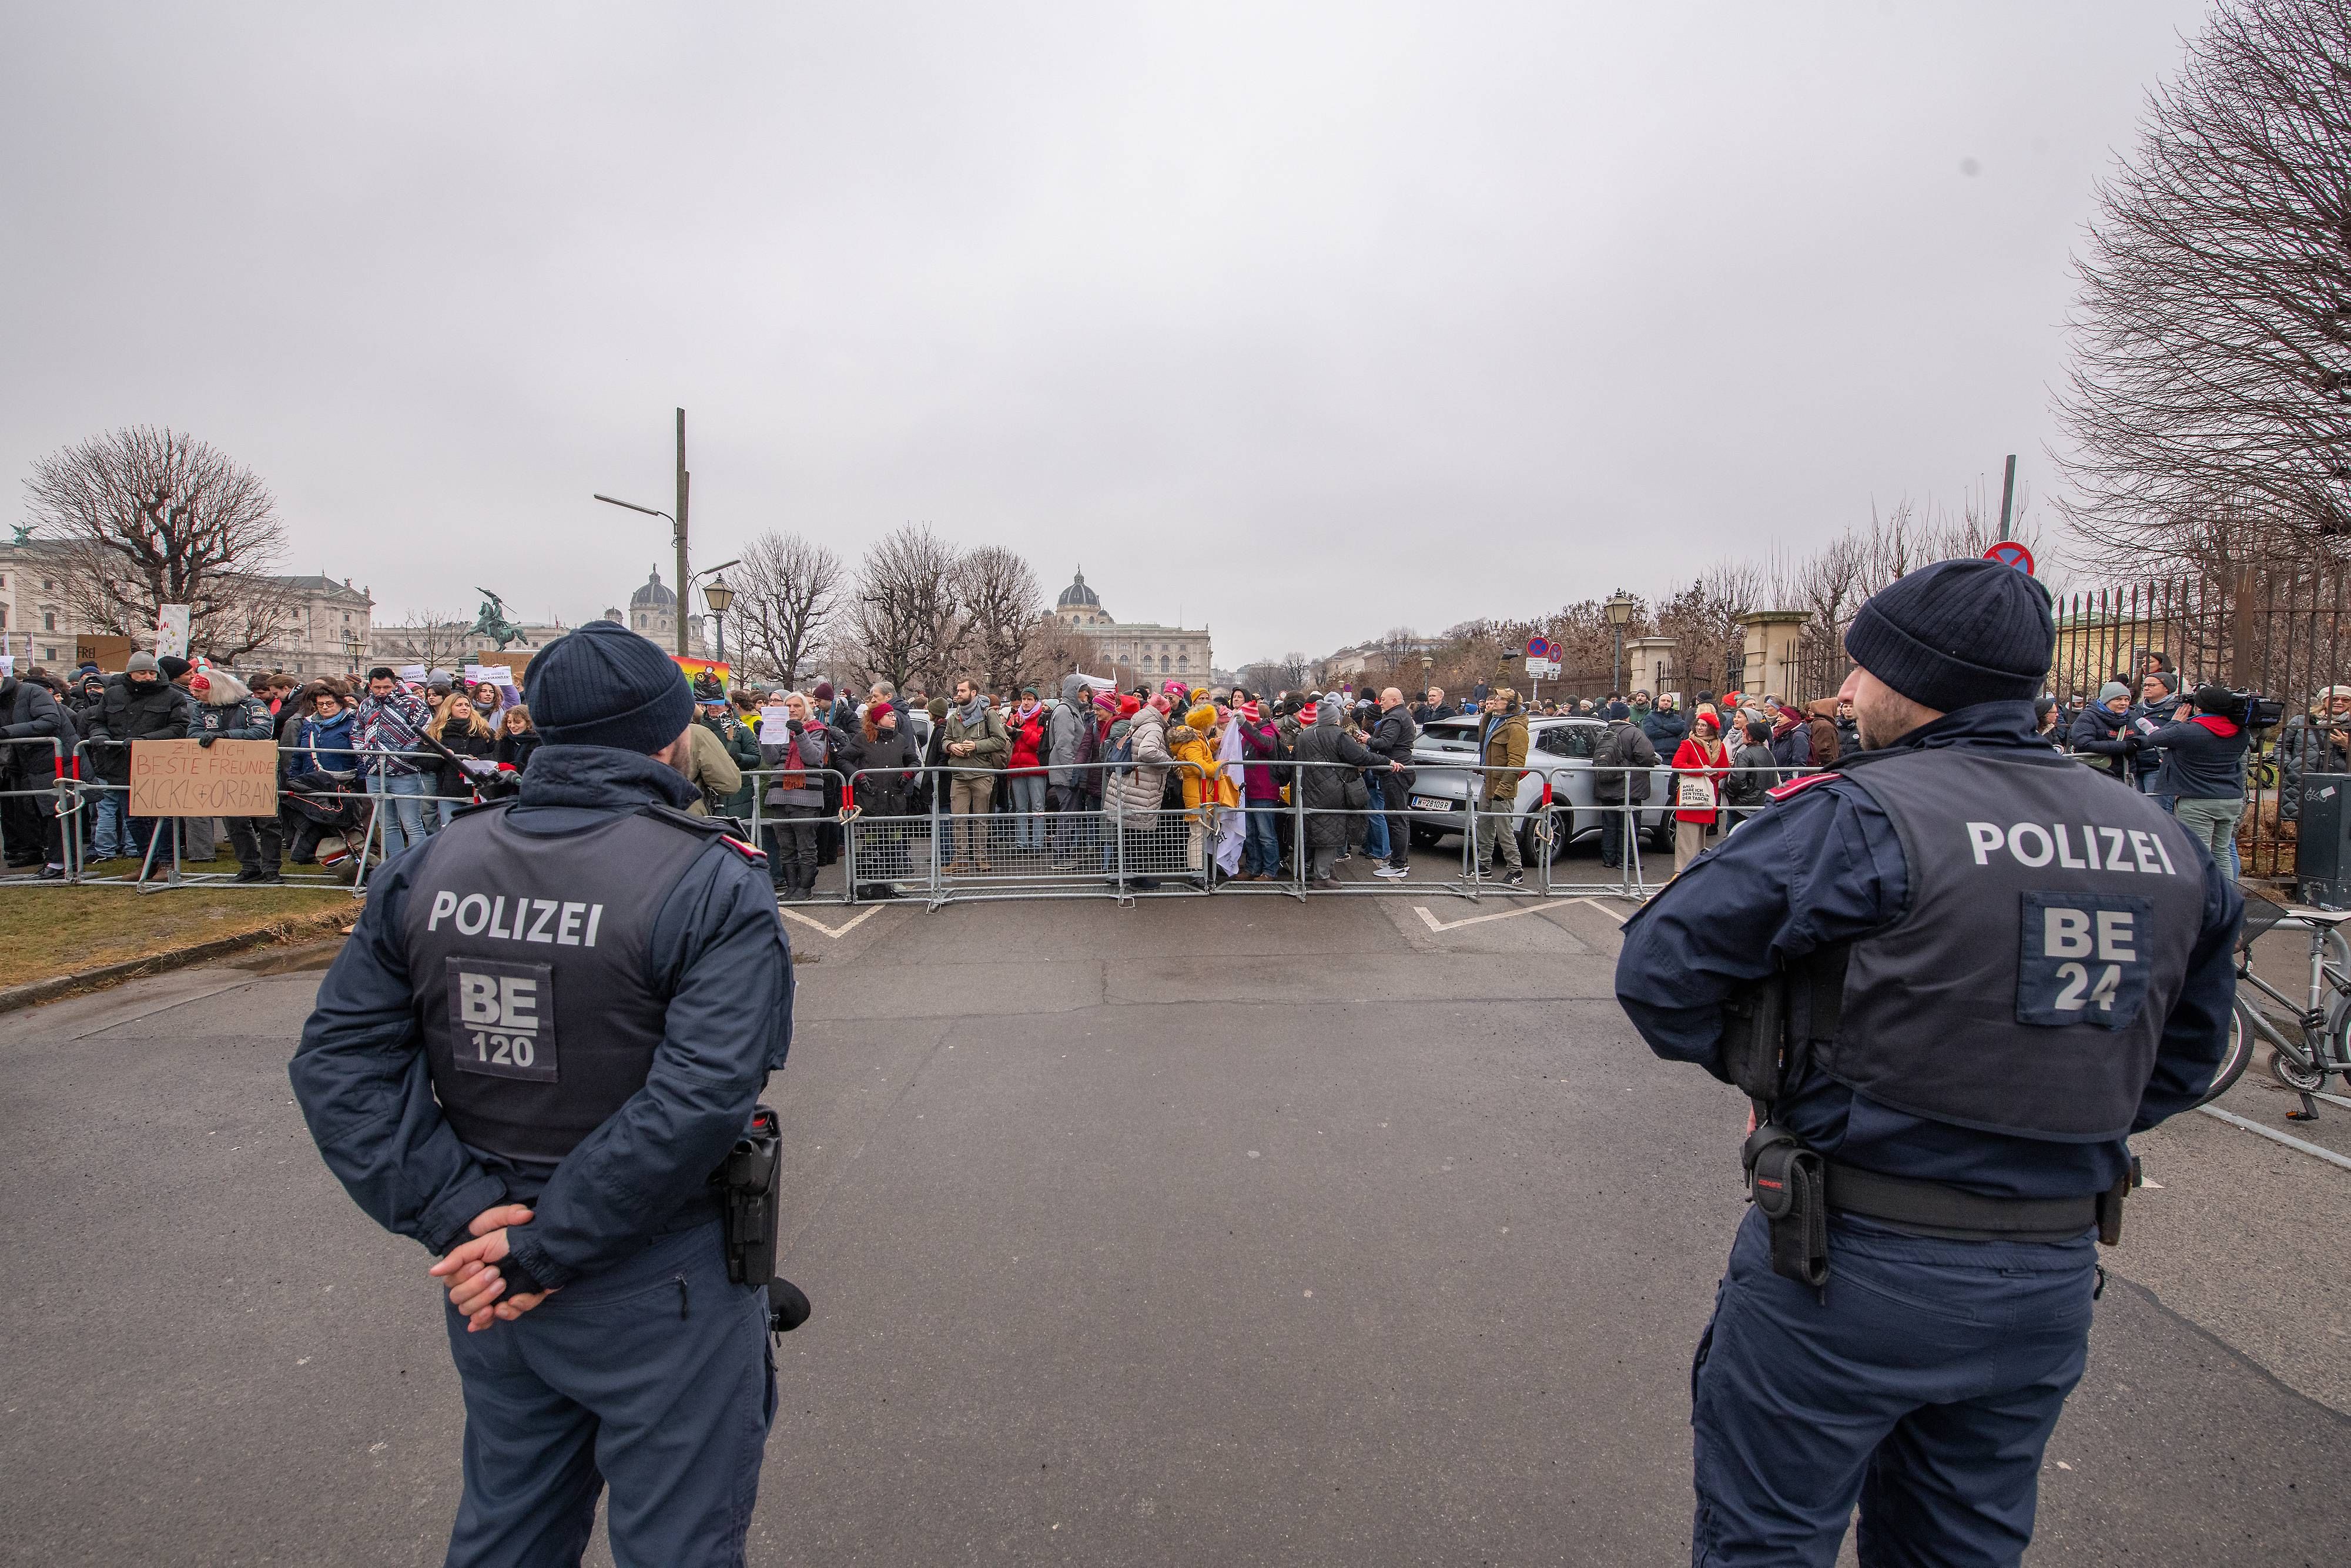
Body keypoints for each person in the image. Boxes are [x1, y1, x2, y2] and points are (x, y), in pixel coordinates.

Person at [1615, 557, 2237, 1567]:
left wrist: (1779, 1078)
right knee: (1961, 1547)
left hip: (1851, 1255)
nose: (1848, 691)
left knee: (1765, 1538)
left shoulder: (1859, 814)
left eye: (1864, 668)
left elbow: (1661, 967)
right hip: (2046, 1268)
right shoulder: (2167, 841)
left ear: (1923, 682)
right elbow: (2185, 1061)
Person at [289, 618, 792, 1566]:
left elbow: (338, 1064)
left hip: (497, 1274)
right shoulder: (708, 879)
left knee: (507, 1534)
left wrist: (475, 1220)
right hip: (657, 1276)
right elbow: (698, 1099)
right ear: (666, 736)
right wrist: (535, 1242)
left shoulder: (432, 864)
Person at [83, 652, 191, 866]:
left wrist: (145, 740)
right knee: (132, 818)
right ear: (131, 673)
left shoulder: (172, 696)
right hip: (120, 764)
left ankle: (167, 863)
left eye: (152, 672)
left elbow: (179, 728)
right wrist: (100, 736)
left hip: (159, 764)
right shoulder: (113, 694)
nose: (148, 677)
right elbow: (97, 721)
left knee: (163, 817)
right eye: (142, 673)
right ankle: (148, 862)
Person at [182, 667, 283, 882]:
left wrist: (224, 736)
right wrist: (214, 737)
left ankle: (271, 868)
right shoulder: (203, 709)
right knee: (234, 822)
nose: (196, 696)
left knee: (267, 822)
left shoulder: (251, 705)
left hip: (258, 771)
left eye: (200, 691)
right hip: (225, 773)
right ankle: (249, 866)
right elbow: (193, 733)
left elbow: (263, 731)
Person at [2144, 684, 2252, 878]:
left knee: (2197, 854)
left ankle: (2203, 902)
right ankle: (2226, 901)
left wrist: (2175, 722)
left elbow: (2155, 738)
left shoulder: (2187, 731)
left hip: (2198, 801)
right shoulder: (2241, 733)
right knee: (2221, 853)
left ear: (2198, 707)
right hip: (2230, 799)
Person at [1290, 699, 1385, 887]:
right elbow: (1360, 756)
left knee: (1316, 833)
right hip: (1332, 793)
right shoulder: (1339, 735)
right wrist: (1387, 762)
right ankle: (1322, 877)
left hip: (1307, 791)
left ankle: (1321, 871)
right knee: (1331, 835)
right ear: (1335, 718)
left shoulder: (1304, 736)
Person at [354, 667, 435, 861]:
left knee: (412, 824)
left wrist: (403, 756)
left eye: (387, 687)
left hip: (405, 773)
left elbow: (425, 732)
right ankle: (396, 865)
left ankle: (417, 865)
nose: (382, 691)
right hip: (374, 773)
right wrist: (363, 754)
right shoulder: (366, 705)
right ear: (370, 686)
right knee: (387, 825)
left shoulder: (413, 703)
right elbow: (357, 731)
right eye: (377, 687)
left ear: (395, 683)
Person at [1, 663, 71, 877]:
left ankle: (60, 862)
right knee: (26, 812)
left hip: (51, 760)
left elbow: (50, 721)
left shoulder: (31, 691)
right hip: (21, 764)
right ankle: (43, 856)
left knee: (56, 811)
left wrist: (6, 732)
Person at [761, 691, 832, 898]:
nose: (792, 710)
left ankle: (805, 888)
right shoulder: (781, 730)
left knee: (806, 847)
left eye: (797, 706)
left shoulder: (818, 730)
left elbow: (813, 757)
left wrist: (800, 734)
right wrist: (763, 736)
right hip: (779, 795)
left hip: (806, 797)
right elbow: (772, 758)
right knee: (786, 848)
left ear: (806, 709)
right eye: (789, 706)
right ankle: (791, 886)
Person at [941, 677, 1009, 873]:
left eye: (962, 691)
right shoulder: (954, 717)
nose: (958, 694)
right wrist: (952, 746)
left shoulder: (988, 715)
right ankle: (960, 860)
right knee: (958, 819)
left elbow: (1000, 741)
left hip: (982, 774)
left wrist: (977, 746)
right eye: (958, 690)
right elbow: (945, 740)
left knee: (980, 818)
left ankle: (981, 858)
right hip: (960, 775)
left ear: (974, 693)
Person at [1471, 688, 1528, 885]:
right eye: (1495, 698)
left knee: (1504, 832)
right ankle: (1484, 866)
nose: (1495, 701)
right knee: (1484, 828)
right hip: (1489, 783)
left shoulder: (1516, 728)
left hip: (1501, 788)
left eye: (1500, 699)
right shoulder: (1495, 721)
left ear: (1512, 705)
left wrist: (1503, 790)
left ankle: (1516, 870)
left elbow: (1517, 762)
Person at [1592, 704, 1659, 871]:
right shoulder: (1635, 733)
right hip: (1631, 787)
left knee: (1609, 825)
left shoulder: (1602, 734)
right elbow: (1647, 756)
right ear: (1627, 717)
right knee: (1628, 825)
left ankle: (1608, 859)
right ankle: (1626, 860)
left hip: (1606, 785)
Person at [2278, 684, 2351, 835]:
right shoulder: (2301, 721)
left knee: (2334, 831)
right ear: (2324, 701)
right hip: (2301, 782)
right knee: (2304, 833)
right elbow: (2282, 746)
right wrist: (2287, 766)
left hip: (2337, 784)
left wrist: (2346, 745)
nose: (2339, 702)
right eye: (2334, 698)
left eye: (2345, 700)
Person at [1669, 709, 1733, 875]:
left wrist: (1715, 773)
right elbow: (1677, 764)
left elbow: (1725, 768)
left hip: (1708, 795)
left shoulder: (1720, 746)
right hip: (1690, 796)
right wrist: (1700, 770)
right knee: (1686, 839)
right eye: (1698, 725)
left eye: (1704, 725)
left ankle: (1695, 871)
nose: (1700, 728)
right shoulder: (1688, 744)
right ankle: (1682, 872)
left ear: (1712, 728)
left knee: (1700, 838)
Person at [1046, 674, 1100, 870]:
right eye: (1084, 691)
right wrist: (1072, 773)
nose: (1087, 695)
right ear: (1076, 691)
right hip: (1066, 773)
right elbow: (1064, 745)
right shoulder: (1064, 711)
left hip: (1069, 772)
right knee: (1068, 814)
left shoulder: (1074, 711)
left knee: (1072, 813)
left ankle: (1067, 854)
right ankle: (1061, 856)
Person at [1364, 688, 1418, 878]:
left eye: (1384, 700)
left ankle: (1398, 865)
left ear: (1395, 700)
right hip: (1399, 769)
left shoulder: (1395, 718)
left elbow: (1386, 743)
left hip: (1395, 771)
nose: (1381, 703)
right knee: (1399, 818)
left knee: (1397, 819)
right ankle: (1399, 860)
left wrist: (1368, 739)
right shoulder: (1402, 715)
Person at [426, 693, 500, 827]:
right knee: (450, 830)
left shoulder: (483, 729)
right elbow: (423, 759)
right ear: (449, 709)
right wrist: (441, 754)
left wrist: (481, 760)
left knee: (479, 830)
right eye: (459, 705)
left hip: (479, 790)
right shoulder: (436, 732)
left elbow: (499, 752)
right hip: (450, 792)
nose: (464, 708)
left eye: (467, 705)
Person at [1235, 699, 1285, 880]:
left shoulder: (1268, 730)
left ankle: (1270, 870)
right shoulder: (1252, 732)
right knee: (1251, 834)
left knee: (1266, 835)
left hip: (1264, 791)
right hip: (1249, 790)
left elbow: (1266, 744)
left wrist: (1245, 728)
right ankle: (1253, 867)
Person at [1004, 687, 1049, 855]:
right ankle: (1021, 843)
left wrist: (1022, 730)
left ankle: (1038, 844)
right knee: (1020, 809)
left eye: (1030, 699)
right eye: (1024, 699)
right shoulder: (1014, 718)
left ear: (1036, 701)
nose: (1026, 702)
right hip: (1017, 768)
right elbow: (1005, 739)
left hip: (1035, 768)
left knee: (1038, 808)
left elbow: (1039, 742)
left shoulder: (1042, 718)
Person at [2069, 681, 2137, 781]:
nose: (2124, 703)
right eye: (2118, 699)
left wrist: (2139, 743)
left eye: (2127, 699)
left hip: (2126, 773)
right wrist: (2125, 746)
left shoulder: (2133, 716)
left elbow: (2148, 737)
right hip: (2097, 773)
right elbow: (2084, 743)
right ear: (2106, 701)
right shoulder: (2088, 717)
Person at [1723, 716, 1778, 826]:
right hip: (1764, 802)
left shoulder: (1744, 754)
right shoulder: (1768, 753)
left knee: (1734, 834)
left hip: (1744, 805)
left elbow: (1737, 782)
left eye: (1745, 733)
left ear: (1752, 737)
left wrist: (1730, 793)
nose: (1743, 735)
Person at [494, 703, 541, 776]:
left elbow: (540, 769)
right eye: (509, 722)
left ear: (528, 723)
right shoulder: (504, 740)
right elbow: (494, 757)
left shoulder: (539, 742)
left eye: (517, 722)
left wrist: (516, 769)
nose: (512, 726)